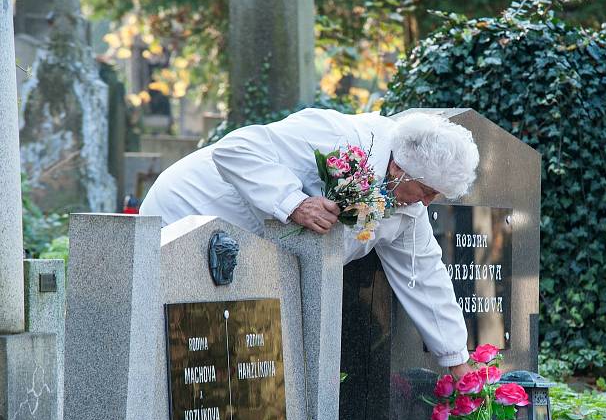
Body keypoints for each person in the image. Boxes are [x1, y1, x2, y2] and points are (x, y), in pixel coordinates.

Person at [141, 108, 480, 378]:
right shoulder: (336, 135)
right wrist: (294, 203)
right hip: (193, 212)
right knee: (191, 351)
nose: (427, 204)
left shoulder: (406, 203)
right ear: (398, 168)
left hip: (255, 251)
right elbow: (235, 149)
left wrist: (456, 359)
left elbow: (423, 274)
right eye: (426, 191)